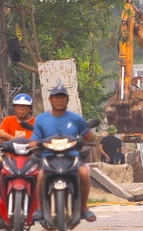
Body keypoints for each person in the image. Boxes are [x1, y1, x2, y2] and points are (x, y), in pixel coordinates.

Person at [30, 84, 96, 223]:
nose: (59, 100)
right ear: (50, 99)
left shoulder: (76, 118)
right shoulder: (41, 119)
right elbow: (35, 136)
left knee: (84, 174)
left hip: (71, 156)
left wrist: (83, 140)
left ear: (67, 100)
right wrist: (34, 143)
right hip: (48, 156)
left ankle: (84, 208)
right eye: (56, 97)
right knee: (41, 176)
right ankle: (41, 208)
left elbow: (88, 136)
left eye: (62, 97)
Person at [0, 93, 38, 217]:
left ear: (30, 109)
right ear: (14, 108)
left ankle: (41, 204)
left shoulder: (36, 122)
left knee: (43, 174)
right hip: (10, 158)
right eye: (18, 106)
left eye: (25, 107)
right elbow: (0, 134)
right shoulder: (8, 120)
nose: (21, 109)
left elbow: (32, 142)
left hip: (30, 159)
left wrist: (7, 137)